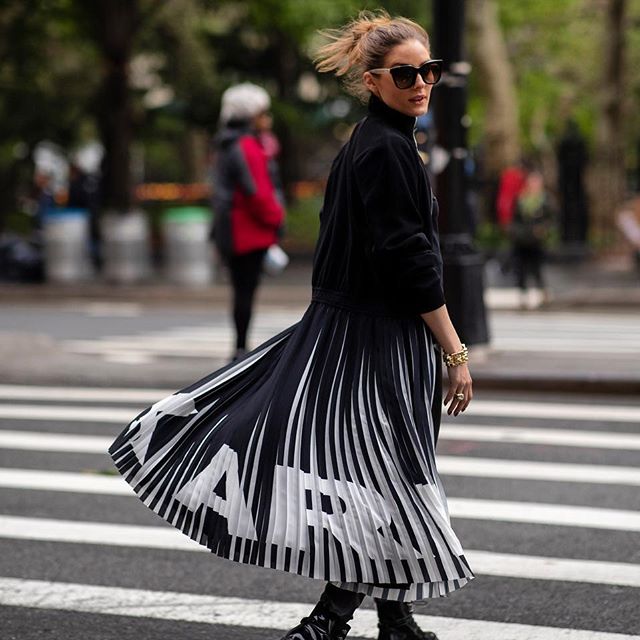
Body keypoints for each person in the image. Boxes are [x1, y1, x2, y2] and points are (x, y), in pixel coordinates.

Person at [109, 12, 474, 640]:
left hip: (350, 332)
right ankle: (333, 620)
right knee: (389, 475)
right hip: (378, 339)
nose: (421, 84)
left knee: (372, 476)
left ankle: (380, 618)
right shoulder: (389, 151)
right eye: (407, 74)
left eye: (430, 72)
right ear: (373, 79)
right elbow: (410, 258)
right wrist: (454, 350)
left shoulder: (368, 141)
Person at [210, 83, 285, 360]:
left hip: (231, 229)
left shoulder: (225, 143)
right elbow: (258, 192)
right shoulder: (247, 146)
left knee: (241, 290)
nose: (267, 118)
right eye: (263, 112)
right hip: (248, 232)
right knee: (245, 291)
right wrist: (277, 218)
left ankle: (240, 345)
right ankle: (241, 348)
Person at [510, 170, 554, 308]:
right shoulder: (521, 198)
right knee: (521, 268)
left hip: (537, 241)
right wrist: (517, 232)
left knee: (537, 268)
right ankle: (523, 295)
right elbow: (515, 219)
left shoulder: (546, 199)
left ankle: (543, 292)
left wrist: (543, 230)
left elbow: (552, 219)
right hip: (522, 240)